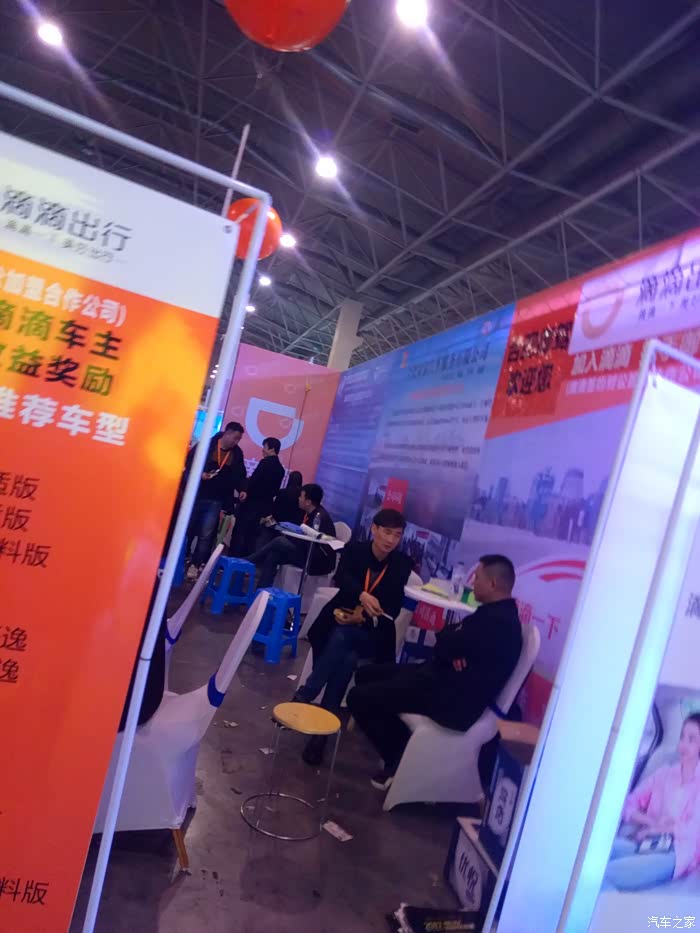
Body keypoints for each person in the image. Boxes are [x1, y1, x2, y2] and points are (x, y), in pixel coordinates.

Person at [347, 554, 523, 790]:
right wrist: (454, 650)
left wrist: (451, 648)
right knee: (366, 674)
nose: (473, 584)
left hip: (451, 699)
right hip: (439, 678)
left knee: (357, 698)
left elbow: (445, 644)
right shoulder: (494, 613)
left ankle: (397, 754)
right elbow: (447, 636)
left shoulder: (498, 623)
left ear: (492, 584)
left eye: (478, 579)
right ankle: (398, 744)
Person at [295, 508, 413, 765]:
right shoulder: (356, 550)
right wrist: (362, 595)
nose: (391, 540)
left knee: (343, 638)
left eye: (397, 535)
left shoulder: (401, 564)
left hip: (373, 631)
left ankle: (308, 691)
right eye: (387, 532)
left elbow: (392, 608)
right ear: (374, 529)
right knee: (346, 657)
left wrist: (364, 616)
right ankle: (320, 738)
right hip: (338, 619)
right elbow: (342, 578)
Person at [604, 713, 700, 891]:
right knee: (593, 856)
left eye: (691, 739)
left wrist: (657, 829)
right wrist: (651, 822)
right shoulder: (664, 774)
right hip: (648, 841)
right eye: (682, 736)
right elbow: (628, 805)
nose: (683, 744)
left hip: (677, 852)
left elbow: (692, 830)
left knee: (604, 874)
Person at [185, 422, 247, 578]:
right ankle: (182, 557)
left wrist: (242, 489)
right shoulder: (207, 445)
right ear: (227, 433)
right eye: (235, 438)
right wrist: (200, 474)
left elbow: (240, 474)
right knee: (188, 528)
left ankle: (196, 564)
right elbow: (189, 463)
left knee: (206, 534)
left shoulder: (236, 453)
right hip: (197, 494)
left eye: (239, 439)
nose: (236, 442)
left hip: (216, 499)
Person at [246, 483, 335, 589]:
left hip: (315, 561)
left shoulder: (319, 517)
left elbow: (310, 542)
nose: (298, 499)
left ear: (308, 502)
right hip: (306, 552)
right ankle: (262, 590)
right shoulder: (310, 513)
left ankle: (251, 560)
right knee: (274, 554)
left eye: (301, 496)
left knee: (279, 541)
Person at [232, 437, 285, 555]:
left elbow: (254, 481)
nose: (262, 450)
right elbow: (275, 491)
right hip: (264, 506)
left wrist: (245, 488)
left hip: (251, 503)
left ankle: (234, 557)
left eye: (264, 447)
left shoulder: (265, 463)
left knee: (240, 532)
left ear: (272, 449)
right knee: (252, 536)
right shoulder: (281, 469)